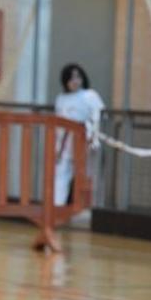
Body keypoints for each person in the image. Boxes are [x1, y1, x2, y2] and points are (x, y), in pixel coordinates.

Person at [53, 63, 104, 206]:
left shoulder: (90, 96)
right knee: (61, 174)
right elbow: (58, 124)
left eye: (78, 77)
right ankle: (57, 207)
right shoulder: (61, 98)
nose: (75, 81)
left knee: (87, 174)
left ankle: (87, 207)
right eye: (71, 78)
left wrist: (93, 137)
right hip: (64, 143)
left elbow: (98, 117)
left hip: (84, 141)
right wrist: (57, 147)